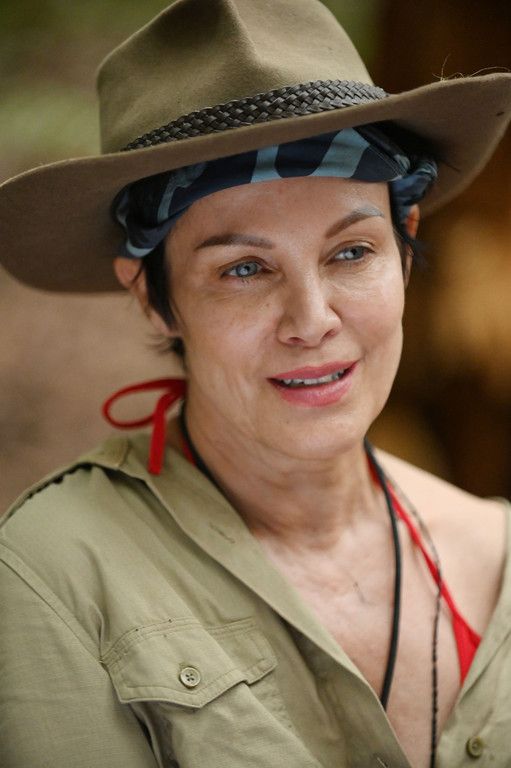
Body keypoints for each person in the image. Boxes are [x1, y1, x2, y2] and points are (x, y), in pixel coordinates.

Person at [0, 1, 510, 767]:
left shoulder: (496, 554)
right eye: (244, 268)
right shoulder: (56, 573)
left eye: (351, 252)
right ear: (151, 295)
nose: (311, 320)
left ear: (404, 247)